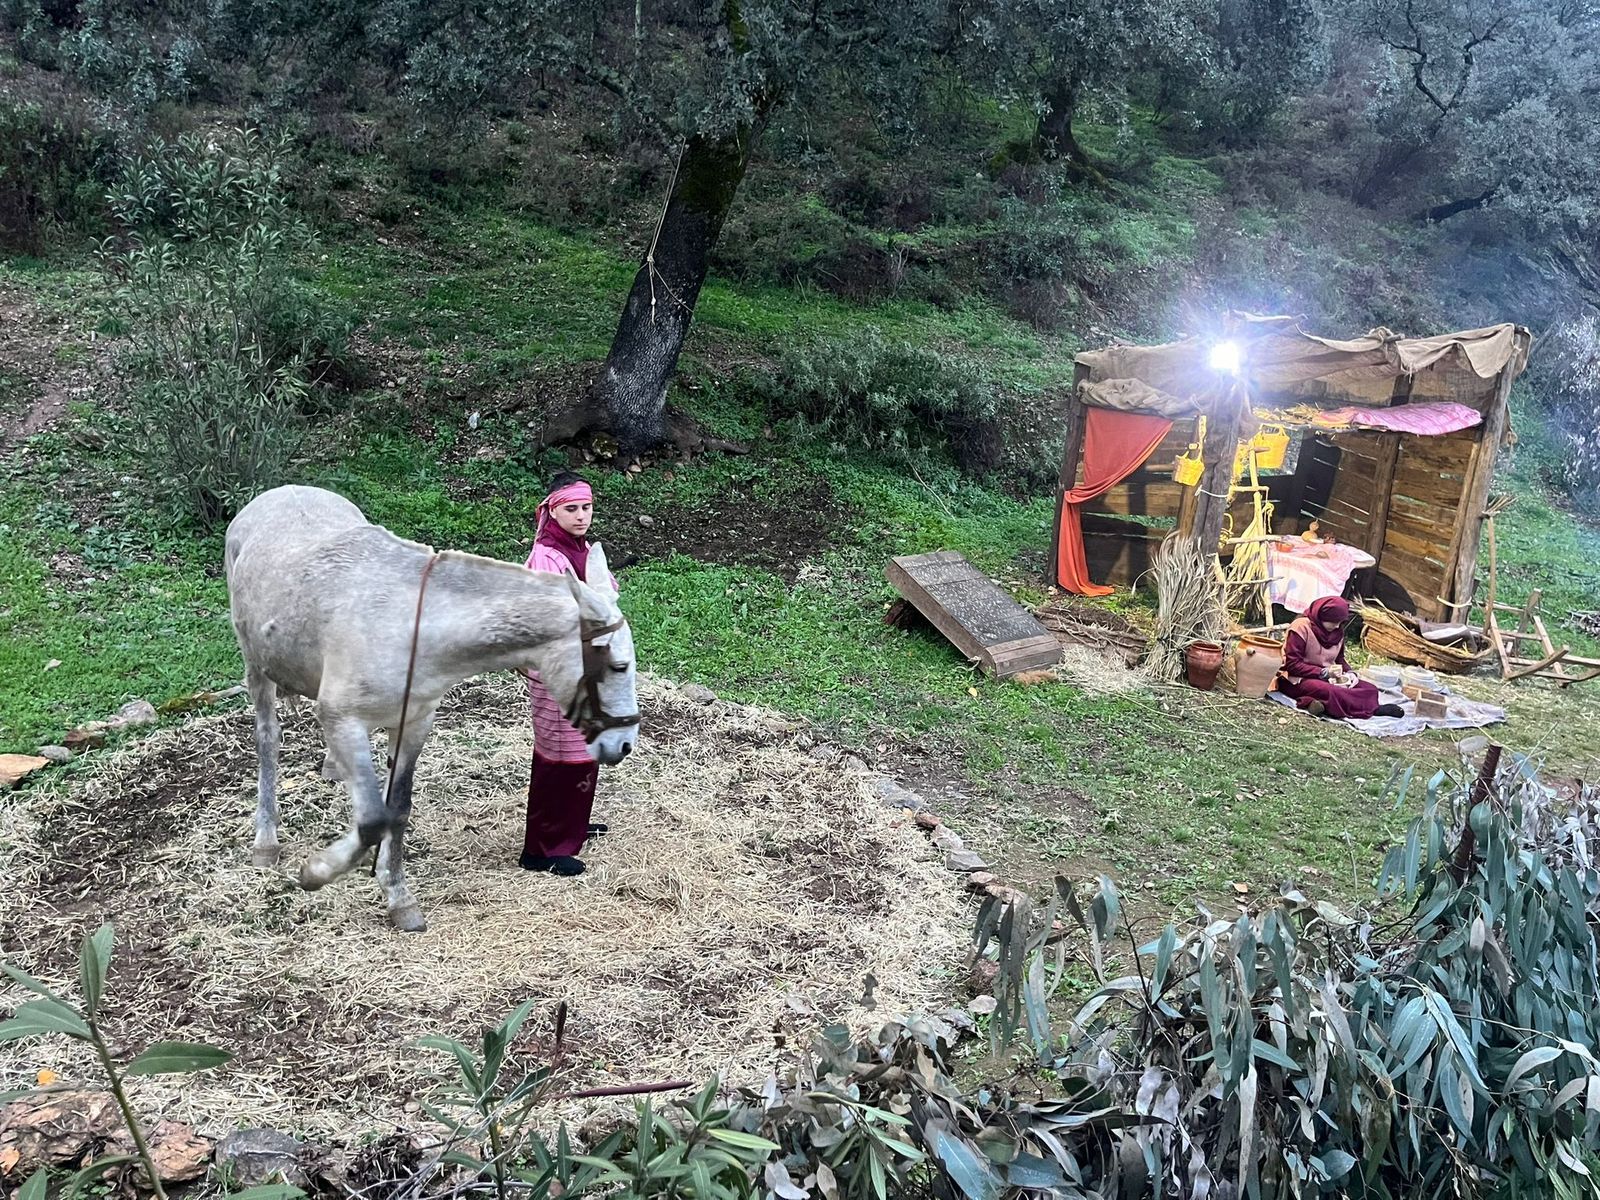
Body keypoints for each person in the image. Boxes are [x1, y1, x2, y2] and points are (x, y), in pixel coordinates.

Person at [520, 471, 618, 876]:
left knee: (585, 747)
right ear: (553, 511)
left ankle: (572, 826)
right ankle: (542, 849)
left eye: (586, 507)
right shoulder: (548, 554)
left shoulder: (580, 547)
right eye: (571, 509)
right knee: (560, 755)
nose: (581, 516)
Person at [1278, 596, 1405, 720]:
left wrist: (1350, 674)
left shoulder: (1337, 632)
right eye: (1334, 622)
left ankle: (1321, 704)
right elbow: (1292, 664)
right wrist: (1324, 673)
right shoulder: (1301, 627)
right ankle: (1322, 703)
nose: (1337, 626)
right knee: (1331, 692)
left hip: (1329, 678)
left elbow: (1340, 659)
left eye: (1340, 623)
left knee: (1370, 689)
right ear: (1322, 616)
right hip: (1298, 679)